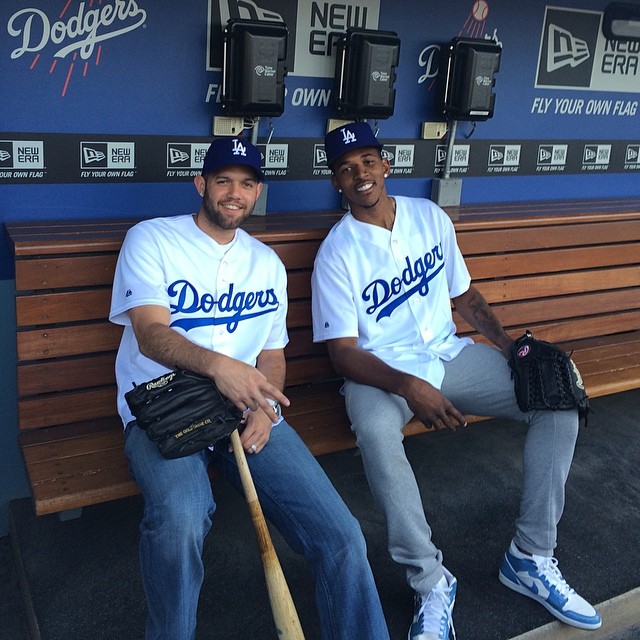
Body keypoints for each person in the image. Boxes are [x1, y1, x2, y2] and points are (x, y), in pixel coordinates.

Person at [311, 121, 601, 640]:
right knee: (377, 434)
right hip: (381, 372)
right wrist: (408, 387)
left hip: (448, 353)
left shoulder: (429, 217)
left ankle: (531, 557)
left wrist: (511, 348)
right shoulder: (336, 252)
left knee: (555, 398)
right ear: (336, 182)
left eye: (368, 162)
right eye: (347, 169)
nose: (360, 175)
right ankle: (429, 580)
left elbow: (464, 296)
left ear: (386, 165)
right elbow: (343, 356)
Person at [109, 136, 390, 640]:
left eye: (245, 183)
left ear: (257, 192)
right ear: (201, 184)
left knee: (342, 535)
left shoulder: (266, 262)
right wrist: (220, 367)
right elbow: (151, 335)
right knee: (181, 520)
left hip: (245, 409)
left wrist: (266, 408)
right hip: (163, 406)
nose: (233, 193)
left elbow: (272, 355)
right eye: (222, 181)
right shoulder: (151, 238)